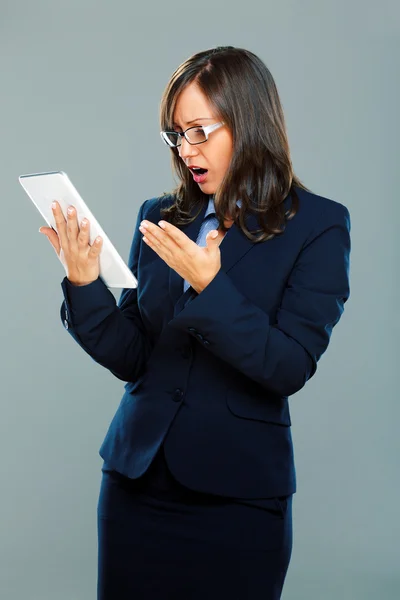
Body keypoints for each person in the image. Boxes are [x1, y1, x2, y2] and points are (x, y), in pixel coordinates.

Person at [39, 46, 351, 600]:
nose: (187, 150)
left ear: (249, 122)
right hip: (135, 484)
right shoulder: (159, 217)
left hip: (238, 496)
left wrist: (211, 286)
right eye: (177, 135)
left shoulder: (319, 226)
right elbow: (136, 356)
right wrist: (84, 283)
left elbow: (288, 366)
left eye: (200, 131)